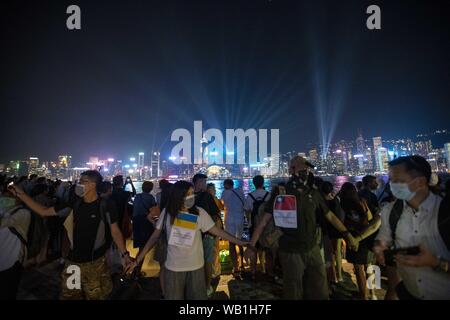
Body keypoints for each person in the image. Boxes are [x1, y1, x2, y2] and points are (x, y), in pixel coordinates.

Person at [246, 156, 359, 300]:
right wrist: (251, 246)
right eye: (302, 168)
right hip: (290, 251)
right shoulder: (281, 192)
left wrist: (347, 235)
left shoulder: (313, 192)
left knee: (320, 290)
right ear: (291, 169)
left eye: (307, 168)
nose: (306, 171)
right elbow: (263, 221)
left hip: (313, 248)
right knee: (294, 292)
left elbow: (329, 215)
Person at [9, 170, 132, 300]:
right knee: (69, 296)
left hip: (96, 264)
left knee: (97, 296)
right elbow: (43, 211)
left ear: (93, 184)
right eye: (79, 181)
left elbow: (115, 231)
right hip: (73, 263)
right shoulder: (75, 204)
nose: (78, 184)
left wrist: (125, 254)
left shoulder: (106, 205)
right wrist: (20, 194)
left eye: (82, 181)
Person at [126, 180, 250, 299]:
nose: (191, 197)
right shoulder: (167, 213)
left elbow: (218, 231)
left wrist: (240, 242)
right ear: (178, 196)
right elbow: (154, 237)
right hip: (173, 268)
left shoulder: (199, 213)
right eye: (188, 194)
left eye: (192, 194)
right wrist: (137, 260)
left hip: (196, 267)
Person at [374, 156, 450, 300]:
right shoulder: (390, 212)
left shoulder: (445, 213)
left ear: (420, 182)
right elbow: (383, 240)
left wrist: (436, 262)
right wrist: (380, 246)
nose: (392, 185)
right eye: (391, 180)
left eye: (398, 180)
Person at [339, 182, 381, 300]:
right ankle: (373, 294)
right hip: (368, 235)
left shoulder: (344, 204)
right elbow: (370, 219)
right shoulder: (362, 201)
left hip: (355, 238)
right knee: (370, 266)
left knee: (358, 269)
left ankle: (362, 295)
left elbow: (343, 222)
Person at [192, 174, 222, 296]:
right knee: (208, 260)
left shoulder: (187, 196)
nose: (205, 184)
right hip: (207, 234)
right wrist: (213, 228)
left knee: (195, 261)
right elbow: (215, 214)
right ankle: (207, 286)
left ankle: (196, 285)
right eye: (203, 182)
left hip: (192, 234)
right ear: (198, 182)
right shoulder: (207, 196)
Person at [0, 187, 31, 299]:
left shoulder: (23, 213)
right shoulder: (4, 209)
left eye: (10, 196)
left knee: (8, 290)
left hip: (13, 259)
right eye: (5, 195)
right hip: (2, 256)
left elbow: (5, 222)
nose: (5, 198)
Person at [244, 175, 270, 280]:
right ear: (263, 183)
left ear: (253, 184)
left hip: (254, 225)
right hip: (266, 226)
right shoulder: (268, 195)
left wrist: (249, 221)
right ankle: (265, 269)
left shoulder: (250, 196)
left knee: (253, 247)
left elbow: (247, 210)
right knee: (265, 248)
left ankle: (253, 271)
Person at [320, 181, 345, 285]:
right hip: (337, 229)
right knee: (337, 252)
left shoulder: (321, 202)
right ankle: (339, 275)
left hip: (327, 230)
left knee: (328, 254)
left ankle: (331, 276)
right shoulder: (336, 199)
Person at [221, 178, 246, 278]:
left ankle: (235, 267)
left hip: (230, 219)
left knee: (231, 243)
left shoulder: (225, 193)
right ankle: (242, 265)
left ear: (226, 185)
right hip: (240, 219)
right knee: (239, 242)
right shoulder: (240, 191)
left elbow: (222, 204)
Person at [132, 181, 157, 275]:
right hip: (146, 222)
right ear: (150, 189)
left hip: (136, 222)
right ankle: (136, 269)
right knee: (145, 246)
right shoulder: (151, 198)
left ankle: (136, 268)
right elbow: (154, 210)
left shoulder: (137, 196)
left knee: (141, 246)